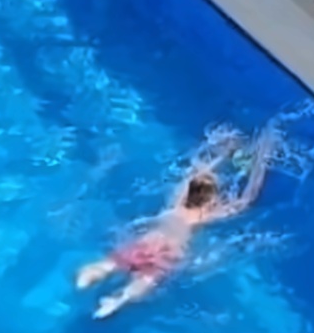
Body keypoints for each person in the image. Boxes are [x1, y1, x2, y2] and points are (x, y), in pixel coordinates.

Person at [75, 132, 272, 318]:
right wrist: (259, 166)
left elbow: (196, 171)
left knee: (112, 262)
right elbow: (245, 201)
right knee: (146, 280)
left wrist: (221, 154)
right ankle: (119, 300)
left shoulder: (177, 201)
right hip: (170, 250)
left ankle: (87, 277)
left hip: (149, 240)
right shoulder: (204, 215)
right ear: (211, 200)